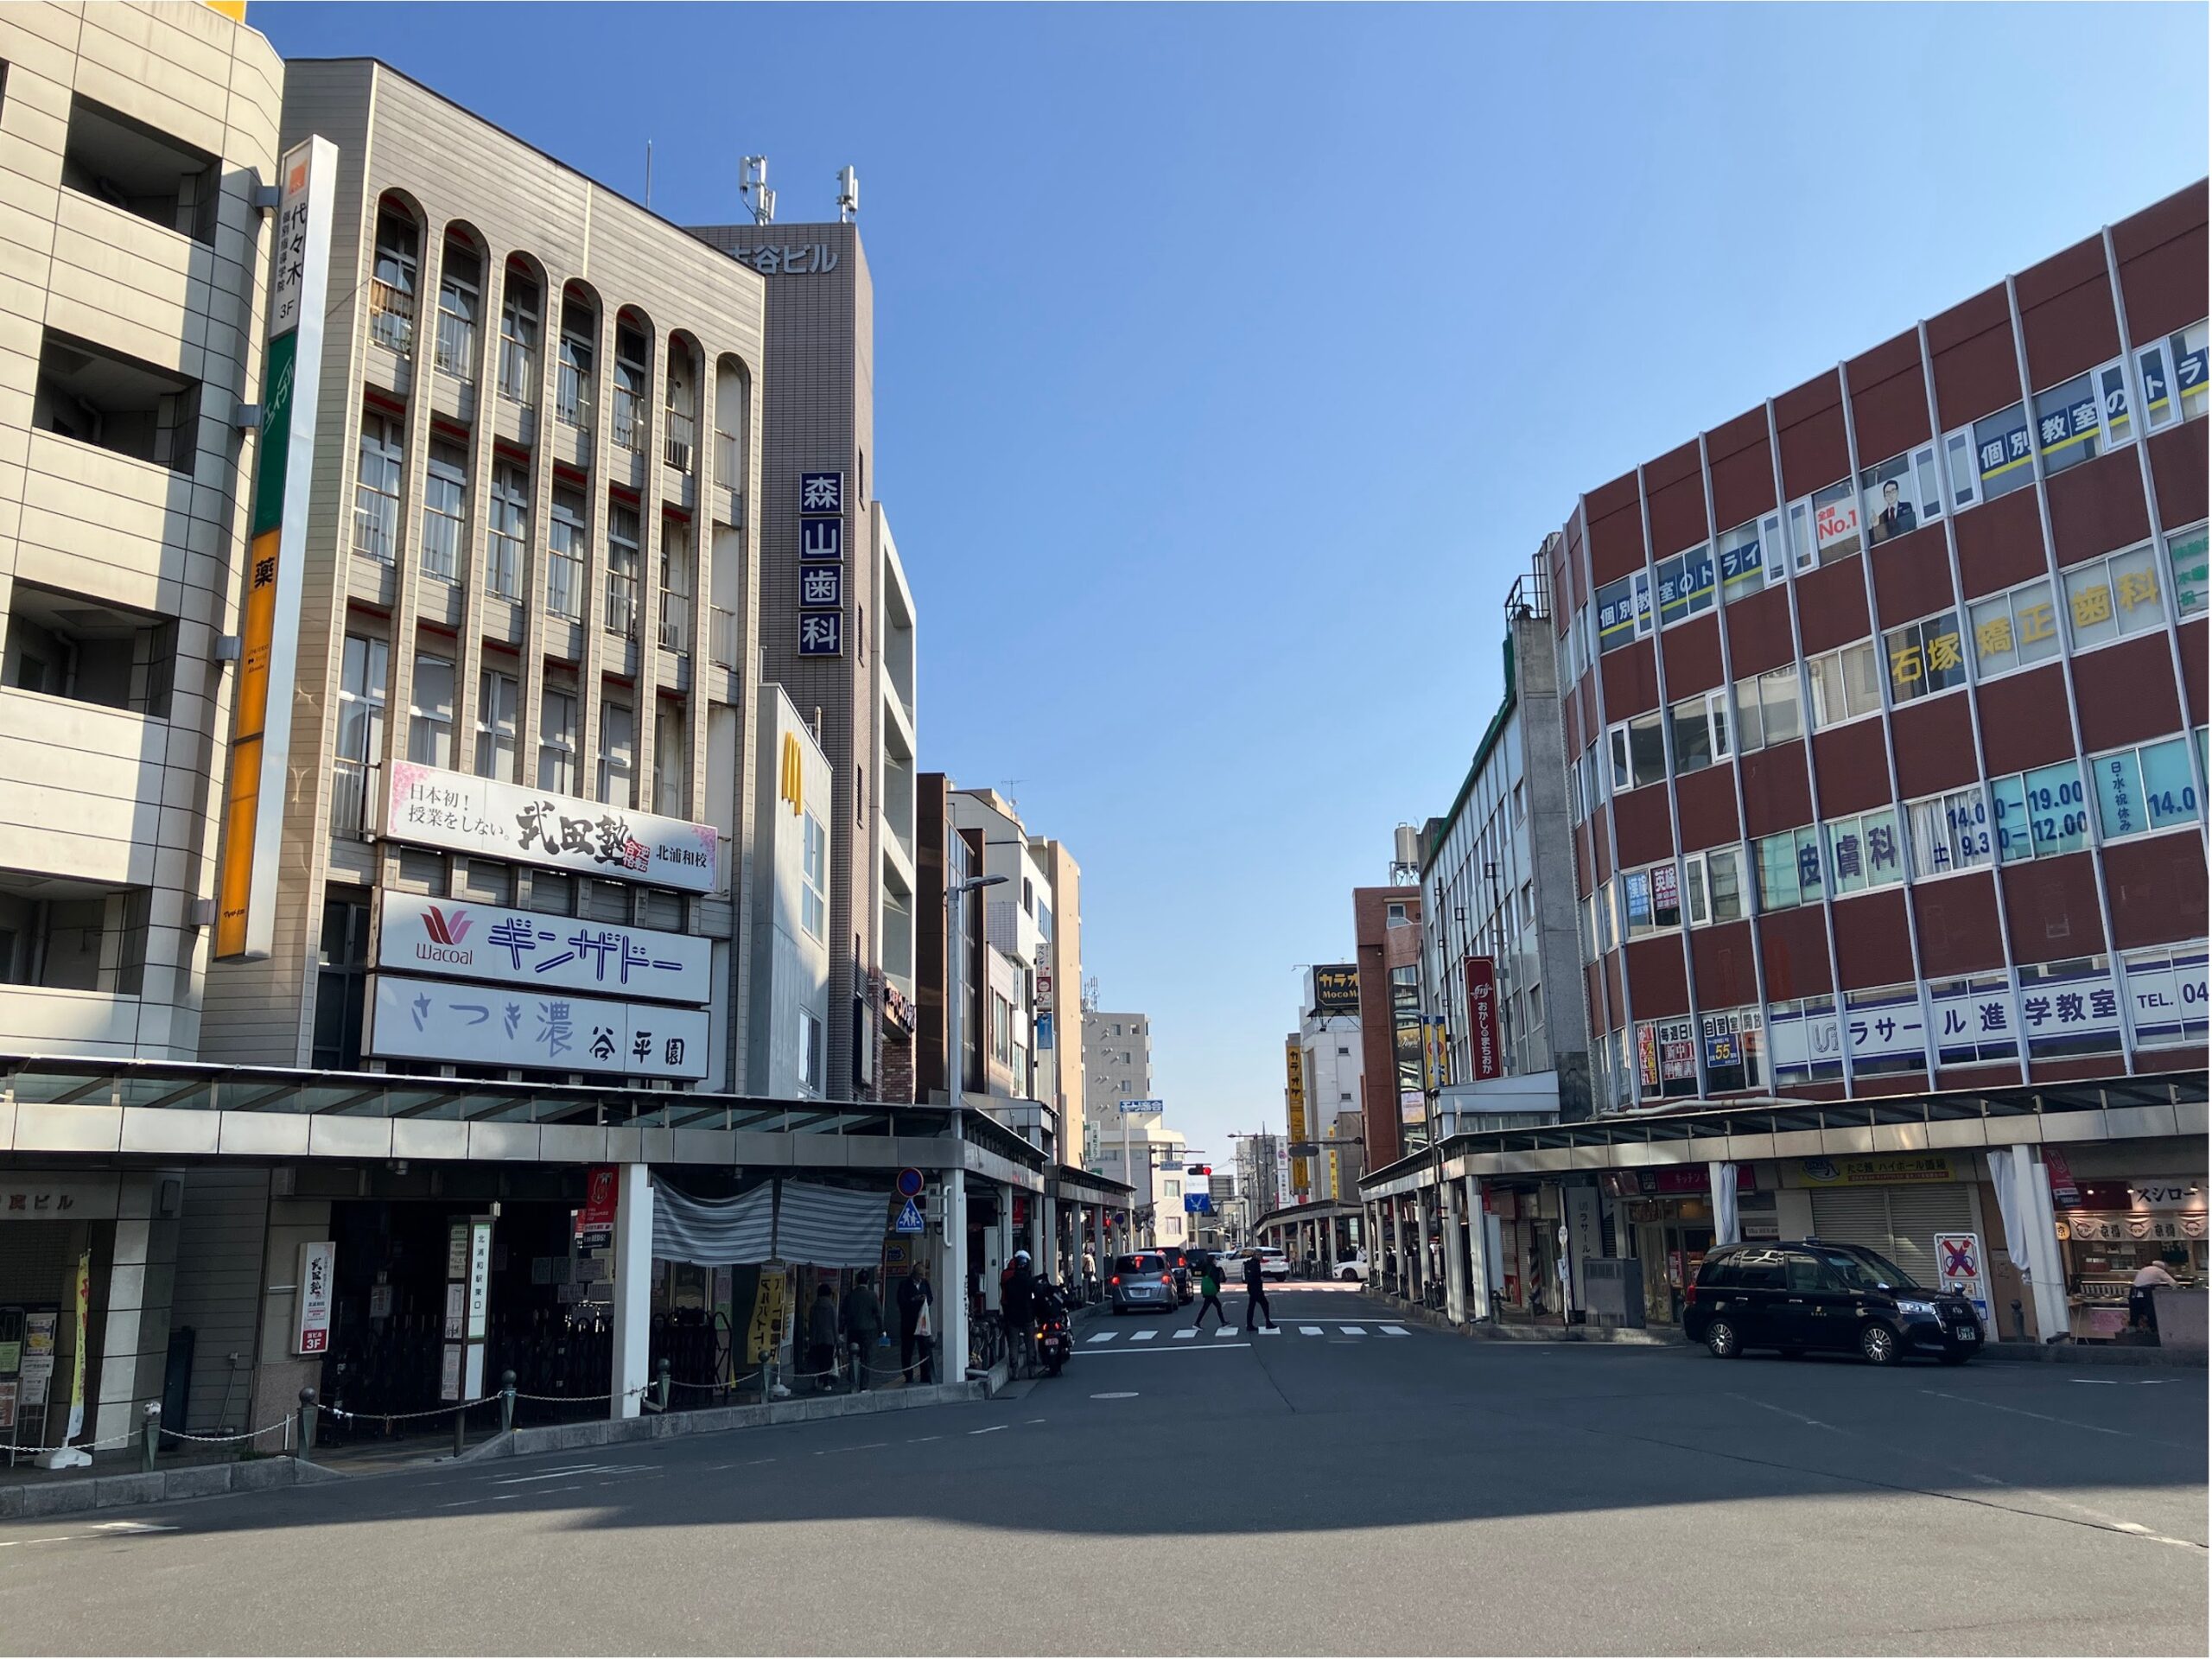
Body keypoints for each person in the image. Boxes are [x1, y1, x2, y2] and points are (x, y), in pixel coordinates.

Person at [841, 1268, 883, 1393]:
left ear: (856, 1281)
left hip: (853, 1330)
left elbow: (843, 1315)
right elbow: (879, 1314)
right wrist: (882, 1331)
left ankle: (852, 1382)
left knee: (852, 1356)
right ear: (868, 1281)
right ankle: (863, 1386)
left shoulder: (850, 1296)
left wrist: (841, 1331)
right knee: (866, 1358)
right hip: (868, 1331)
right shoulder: (872, 1296)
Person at [1001, 1249, 1038, 1378]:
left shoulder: (1009, 1281)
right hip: (1028, 1315)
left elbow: (1005, 1299)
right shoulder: (1030, 1281)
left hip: (1012, 1316)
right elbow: (1035, 1297)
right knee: (1030, 1343)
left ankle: (1015, 1371)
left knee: (1013, 1344)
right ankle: (1031, 1370)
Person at [897, 1261, 935, 1384]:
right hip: (909, 1323)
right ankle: (908, 1375)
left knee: (924, 1349)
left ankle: (925, 1375)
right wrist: (913, 1300)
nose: (922, 1278)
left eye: (923, 1275)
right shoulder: (904, 1284)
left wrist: (925, 1299)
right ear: (914, 1274)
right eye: (920, 1275)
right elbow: (901, 1302)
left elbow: (930, 1298)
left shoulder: (925, 1284)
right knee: (907, 1350)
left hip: (922, 1322)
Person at [806, 1281, 839, 1394]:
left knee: (817, 1360)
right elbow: (834, 1324)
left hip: (816, 1337)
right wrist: (837, 1339)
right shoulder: (831, 1306)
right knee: (827, 1361)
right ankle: (826, 1382)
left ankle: (815, 1381)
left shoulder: (814, 1306)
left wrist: (810, 1337)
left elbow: (811, 1323)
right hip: (829, 1337)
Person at [1868, 477, 1916, 545]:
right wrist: (1875, 526)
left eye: (1893, 491)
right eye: (1887, 493)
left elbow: (1911, 525)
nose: (1890, 495)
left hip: (1907, 543)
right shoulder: (1882, 516)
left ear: (1897, 492)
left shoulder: (1906, 506)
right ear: (1884, 497)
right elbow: (1879, 540)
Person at [1242, 1248, 1276, 1332]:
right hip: (1256, 1288)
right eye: (1261, 1255)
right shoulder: (1255, 1263)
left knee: (1252, 1306)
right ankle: (1268, 1323)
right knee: (1264, 1304)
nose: (1262, 1257)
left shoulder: (1251, 1262)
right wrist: (1260, 1277)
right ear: (1256, 1255)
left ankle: (1250, 1325)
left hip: (1251, 1287)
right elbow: (1255, 1275)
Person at [1193, 1256, 1228, 1329]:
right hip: (1211, 1290)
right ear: (1212, 1260)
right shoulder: (1213, 1268)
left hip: (1207, 1290)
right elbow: (1216, 1279)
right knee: (1214, 1306)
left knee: (1209, 1306)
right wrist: (1217, 1287)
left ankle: (1197, 1322)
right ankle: (1197, 1322)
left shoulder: (1206, 1267)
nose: (1215, 1261)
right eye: (1215, 1259)